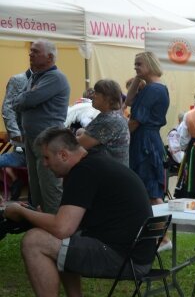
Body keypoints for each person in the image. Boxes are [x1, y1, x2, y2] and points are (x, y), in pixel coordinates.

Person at [3, 127, 154, 297]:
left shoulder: (84, 172)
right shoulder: (94, 163)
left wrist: (20, 211)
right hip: (134, 253)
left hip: (124, 258)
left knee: (35, 241)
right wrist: (41, 215)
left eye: (46, 157)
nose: (44, 164)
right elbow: (68, 224)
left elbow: (62, 227)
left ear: (63, 154)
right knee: (59, 238)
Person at [13, 40, 70, 214]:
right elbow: (17, 102)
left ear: (50, 57)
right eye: (31, 51)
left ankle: (55, 226)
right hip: (34, 138)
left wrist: (24, 99)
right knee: (35, 183)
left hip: (48, 140)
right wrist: (23, 99)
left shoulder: (55, 77)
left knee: (49, 184)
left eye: (35, 51)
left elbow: (26, 100)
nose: (30, 54)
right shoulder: (35, 77)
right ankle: (40, 221)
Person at [126, 51, 170, 204]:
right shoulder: (152, 88)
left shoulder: (153, 90)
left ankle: (158, 224)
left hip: (146, 142)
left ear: (150, 65)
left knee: (150, 189)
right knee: (146, 187)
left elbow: (136, 121)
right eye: (135, 64)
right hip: (147, 139)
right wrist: (138, 78)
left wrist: (120, 136)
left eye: (139, 64)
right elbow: (129, 100)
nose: (135, 67)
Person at [75, 79, 130, 167]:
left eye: (96, 93)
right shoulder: (110, 115)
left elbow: (79, 144)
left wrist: (80, 133)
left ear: (108, 99)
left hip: (110, 174)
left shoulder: (110, 120)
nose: (92, 95)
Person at [2, 70, 30, 201]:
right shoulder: (19, 80)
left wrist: (14, 133)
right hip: (23, 148)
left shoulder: (49, 81)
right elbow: (8, 108)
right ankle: (15, 181)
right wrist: (14, 133)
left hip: (23, 152)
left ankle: (14, 181)